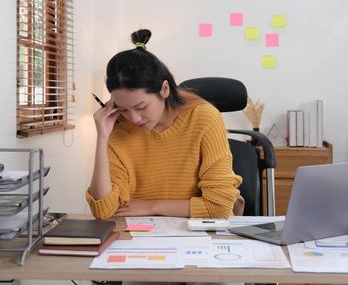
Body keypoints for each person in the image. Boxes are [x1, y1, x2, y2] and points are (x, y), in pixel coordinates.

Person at [86, 29, 242, 220]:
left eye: (141, 106)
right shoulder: (118, 129)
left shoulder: (204, 118)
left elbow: (219, 208)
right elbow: (104, 212)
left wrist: (152, 206)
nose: (134, 118)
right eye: (123, 108)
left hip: (199, 234)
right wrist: (102, 138)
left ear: (165, 89)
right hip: (142, 236)